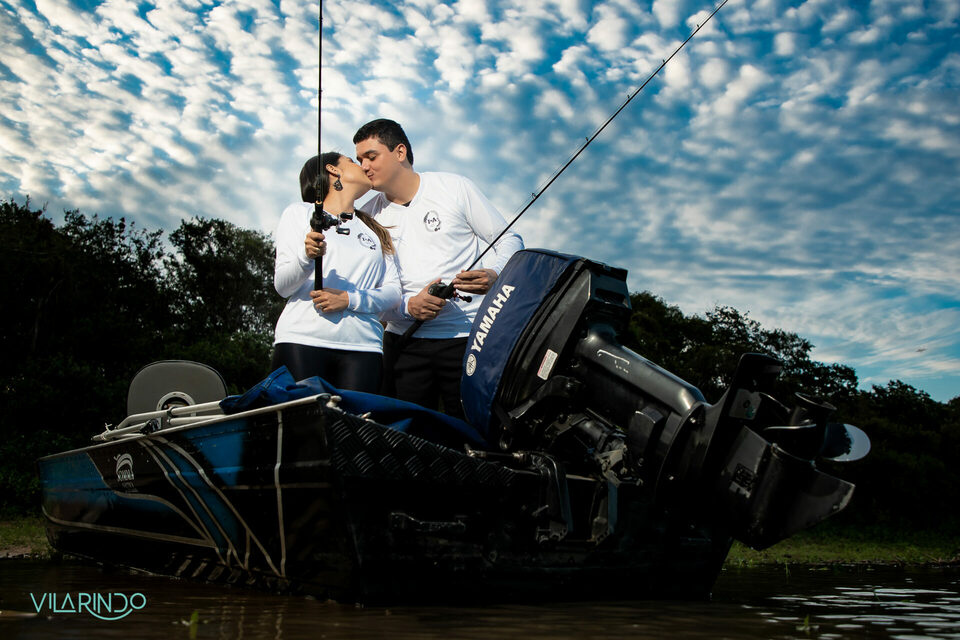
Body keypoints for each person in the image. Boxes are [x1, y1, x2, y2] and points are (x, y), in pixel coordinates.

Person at [353, 118, 523, 418]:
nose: (364, 167)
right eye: (359, 160)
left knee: (472, 431)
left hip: (468, 338)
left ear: (400, 152)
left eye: (371, 156)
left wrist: (495, 274)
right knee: (405, 433)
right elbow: (367, 293)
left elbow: (510, 239)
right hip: (403, 343)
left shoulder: (454, 187)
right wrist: (408, 306)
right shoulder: (365, 217)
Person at [271, 152, 401, 393]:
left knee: (356, 419)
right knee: (303, 418)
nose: (363, 166)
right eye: (353, 161)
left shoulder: (376, 231)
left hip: (364, 347)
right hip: (302, 340)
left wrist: (348, 299)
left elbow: (394, 293)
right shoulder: (299, 213)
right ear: (333, 170)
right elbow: (283, 286)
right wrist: (306, 257)